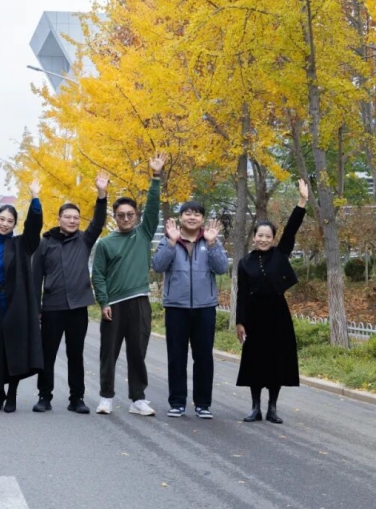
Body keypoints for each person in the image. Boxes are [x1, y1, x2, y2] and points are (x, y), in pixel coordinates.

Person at [92, 154, 164, 417]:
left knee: (137, 352)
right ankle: (106, 397)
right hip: (114, 305)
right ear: (115, 217)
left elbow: (153, 208)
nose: (125, 218)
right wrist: (103, 302)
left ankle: (138, 399)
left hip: (140, 302)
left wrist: (155, 177)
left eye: (130, 214)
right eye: (121, 215)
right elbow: (98, 275)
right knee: (108, 353)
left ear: (136, 216)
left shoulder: (143, 234)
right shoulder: (105, 243)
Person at [32, 172, 109, 414]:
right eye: (68, 217)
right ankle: (44, 396)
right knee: (48, 354)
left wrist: (101, 193)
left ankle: (77, 398)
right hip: (52, 307)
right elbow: (36, 278)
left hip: (78, 307)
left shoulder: (84, 240)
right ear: (59, 219)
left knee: (76, 354)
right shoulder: (45, 243)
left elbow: (98, 221)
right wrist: (36, 309)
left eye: (76, 217)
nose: (73, 221)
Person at [236, 179, 309, 424]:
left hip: (277, 314)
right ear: (254, 237)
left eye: (268, 236)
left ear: (273, 238)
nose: (264, 239)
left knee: (276, 362)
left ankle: (272, 408)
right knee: (254, 362)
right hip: (254, 316)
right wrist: (240, 322)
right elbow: (241, 294)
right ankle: (255, 407)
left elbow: (292, 229)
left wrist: (302, 201)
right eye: (260, 235)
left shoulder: (280, 254)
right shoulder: (244, 262)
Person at [152, 203, 227, 419]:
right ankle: (177, 403)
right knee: (176, 356)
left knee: (203, 357)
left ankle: (203, 404)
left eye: (197, 214)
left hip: (205, 308)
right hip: (176, 307)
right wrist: (171, 242)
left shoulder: (210, 240)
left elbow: (222, 268)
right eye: (188, 213)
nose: (192, 217)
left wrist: (212, 243)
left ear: (202, 219)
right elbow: (158, 266)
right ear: (181, 217)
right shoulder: (169, 239)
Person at [0, 180, 44, 413]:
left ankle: (12, 394)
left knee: (14, 350)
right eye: (2, 219)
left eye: (10, 221)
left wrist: (35, 198)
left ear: (14, 224)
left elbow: (34, 226)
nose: (5, 224)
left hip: (16, 305)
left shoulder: (21, 244)